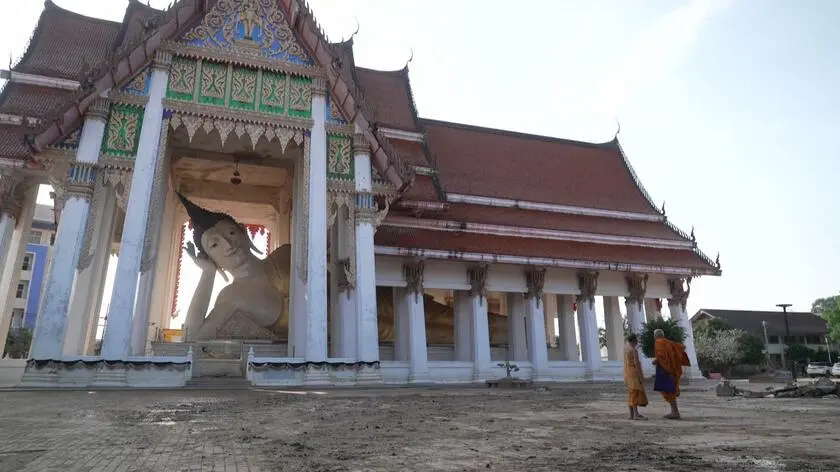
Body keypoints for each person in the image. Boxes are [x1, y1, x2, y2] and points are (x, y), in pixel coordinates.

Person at [177, 193, 292, 341]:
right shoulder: (230, 296)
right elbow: (190, 339)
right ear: (210, 259)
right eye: (214, 245)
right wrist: (208, 273)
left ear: (243, 232)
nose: (228, 245)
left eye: (231, 233)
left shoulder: (285, 255)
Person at [652, 328, 690, 420]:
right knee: (670, 390)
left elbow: (662, 357)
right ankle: (674, 411)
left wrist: (657, 361)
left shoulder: (659, 342)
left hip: (665, 370)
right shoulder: (670, 343)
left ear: (656, 336)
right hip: (672, 370)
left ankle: (675, 412)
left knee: (668, 390)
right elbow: (679, 350)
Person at [623, 334, 648, 420]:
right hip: (633, 373)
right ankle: (636, 415)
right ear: (634, 341)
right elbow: (637, 364)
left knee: (631, 393)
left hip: (627, 373)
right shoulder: (633, 350)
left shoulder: (626, 349)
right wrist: (641, 377)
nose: (637, 342)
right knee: (635, 393)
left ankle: (631, 414)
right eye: (636, 340)